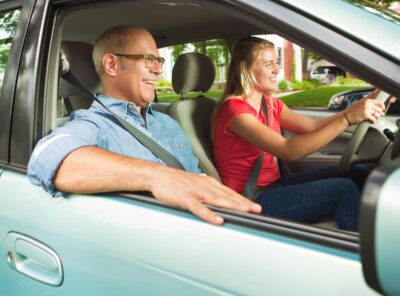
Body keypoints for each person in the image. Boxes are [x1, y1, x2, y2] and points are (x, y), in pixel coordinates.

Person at [28, 25, 261, 225]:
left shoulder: (168, 122)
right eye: (149, 59)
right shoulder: (95, 124)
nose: (159, 69)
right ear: (111, 64)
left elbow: (194, 177)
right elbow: (46, 156)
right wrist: (155, 176)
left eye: (159, 60)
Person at [212, 36, 386, 231]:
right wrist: (346, 119)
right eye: (269, 64)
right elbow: (289, 150)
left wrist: (364, 103)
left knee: (356, 172)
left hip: (274, 186)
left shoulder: (270, 104)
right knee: (343, 190)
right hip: (250, 199)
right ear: (246, 68)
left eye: (277, 62)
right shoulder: (235, 111)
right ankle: (366, 247)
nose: (277, 70)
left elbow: (312, 126)